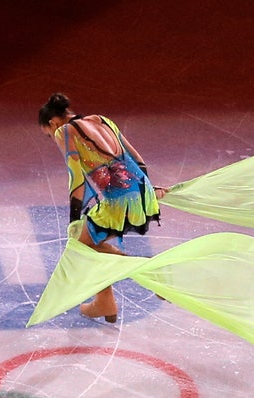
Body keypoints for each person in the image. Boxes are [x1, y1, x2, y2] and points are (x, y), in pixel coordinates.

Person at [38, 93, 165, 323]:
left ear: (53, 123)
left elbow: (77, 178)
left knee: (82, 245)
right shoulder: (102, 120)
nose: (52, 136)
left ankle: (147, 271)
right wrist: (148, 190)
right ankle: (105, 301)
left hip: (120, 199)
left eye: (48, 134)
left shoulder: (64, 131)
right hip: (141, 190)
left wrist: (74, 219)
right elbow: (137, 158)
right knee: (91, 245)